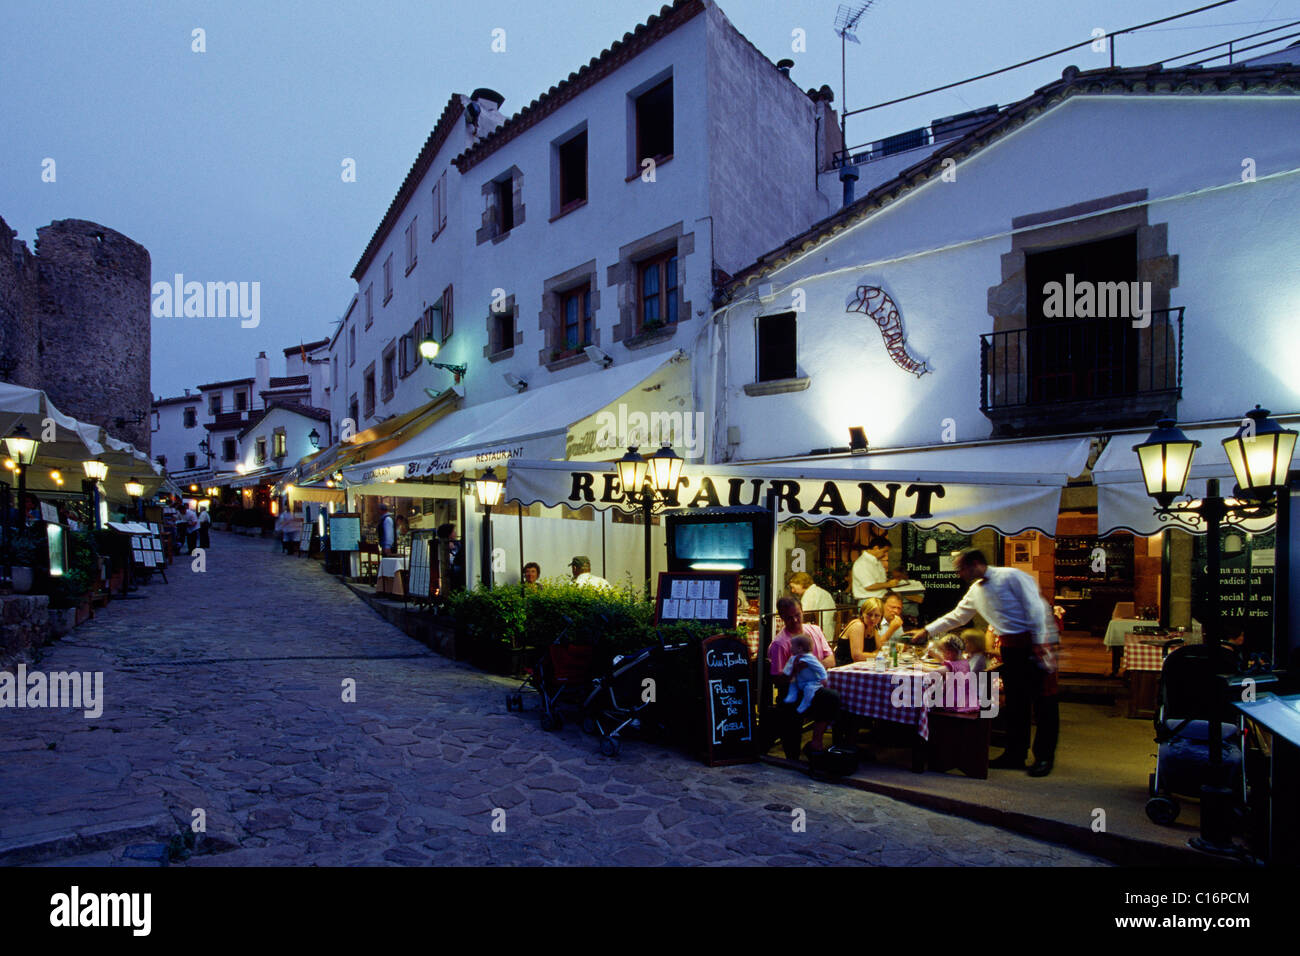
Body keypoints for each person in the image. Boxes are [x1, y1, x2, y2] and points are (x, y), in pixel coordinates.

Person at [909, 548, 1058, 777]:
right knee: (1017, 702)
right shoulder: (975, 591)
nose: (959, 574)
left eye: (962, 568)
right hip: (1010, 646)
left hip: (1035, 641)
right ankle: (1015, 753)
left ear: (976, 563)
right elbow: (958, 616)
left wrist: (1040, 641)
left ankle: (1044, 757)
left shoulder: (1012, 576)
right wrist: (927, 631)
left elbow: (1036, 608)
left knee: (1043, 701)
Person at [769, 596, 839, 757]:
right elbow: (776, 678)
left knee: (834, 697)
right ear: (781, 618)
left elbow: (831, 659)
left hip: (815, 686)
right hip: (791, 690)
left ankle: (816, 743)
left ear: (803, 611)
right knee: (825, 698)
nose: (795, 620)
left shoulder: (814, 630)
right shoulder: (780, 643)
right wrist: (793, 671)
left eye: (797, 615)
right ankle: (794, 755)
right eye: (789, 617)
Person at [851, 535, 909, 604]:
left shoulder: (877, 561)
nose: (885, 555)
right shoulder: (862, 563)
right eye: (884, 551)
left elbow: (879, 581)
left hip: (880, 599)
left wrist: (891, 582)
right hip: (869, 601)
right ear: (876, 548)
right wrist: (889, 584)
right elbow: (869, 586)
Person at [783, 634, 828, 714]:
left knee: (809, 690)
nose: (790, 648)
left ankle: (805, 703)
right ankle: (792, 696)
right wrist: (788, 673)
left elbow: (820, 668)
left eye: (792, 646)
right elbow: (788, 668)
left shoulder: (809, 658)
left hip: (812, 682)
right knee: (792, 684)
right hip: (800, 681)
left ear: (800, 648)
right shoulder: (793, 658)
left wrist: (823, 677)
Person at [835, 597, 886, 665]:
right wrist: (876, 655)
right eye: (869, 614)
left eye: (877, 615)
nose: (872, 618)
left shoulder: (873, 627)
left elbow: (880, 650)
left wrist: (875, 655)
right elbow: (857, 656)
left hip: (861, 667)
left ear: (881, 617)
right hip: (843, 668)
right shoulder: (858, 625)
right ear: (862, 613)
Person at [436, 523, 465, 594]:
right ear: (448, 534)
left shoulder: (457, 543)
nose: (455, 533)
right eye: (453, 531)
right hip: (450, 570)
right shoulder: (442, 545)